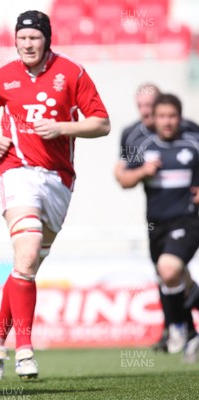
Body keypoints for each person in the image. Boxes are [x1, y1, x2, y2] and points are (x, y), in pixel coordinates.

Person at [0, 10, 110, 381]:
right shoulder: (3, 77)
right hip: (16, 172)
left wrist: (62, 127)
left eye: (33, 38)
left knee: (26, 264)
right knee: (29, 249)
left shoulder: (72, 72)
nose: (27, 44)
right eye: (21, 38)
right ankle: (24, 349)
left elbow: (102, 122)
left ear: (46, 39)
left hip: (58, 179)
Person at [115, 93, 199, 363]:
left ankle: (176, 326)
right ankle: (189, 332)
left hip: (188, 220)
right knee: (171, 276)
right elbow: (124, 180)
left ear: (179, 117)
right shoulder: (143, 145)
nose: (167, 121)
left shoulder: (193, 143)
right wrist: (143, 171)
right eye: (161, 116)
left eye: (172, 116)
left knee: (168, 268)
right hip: (156, 224)